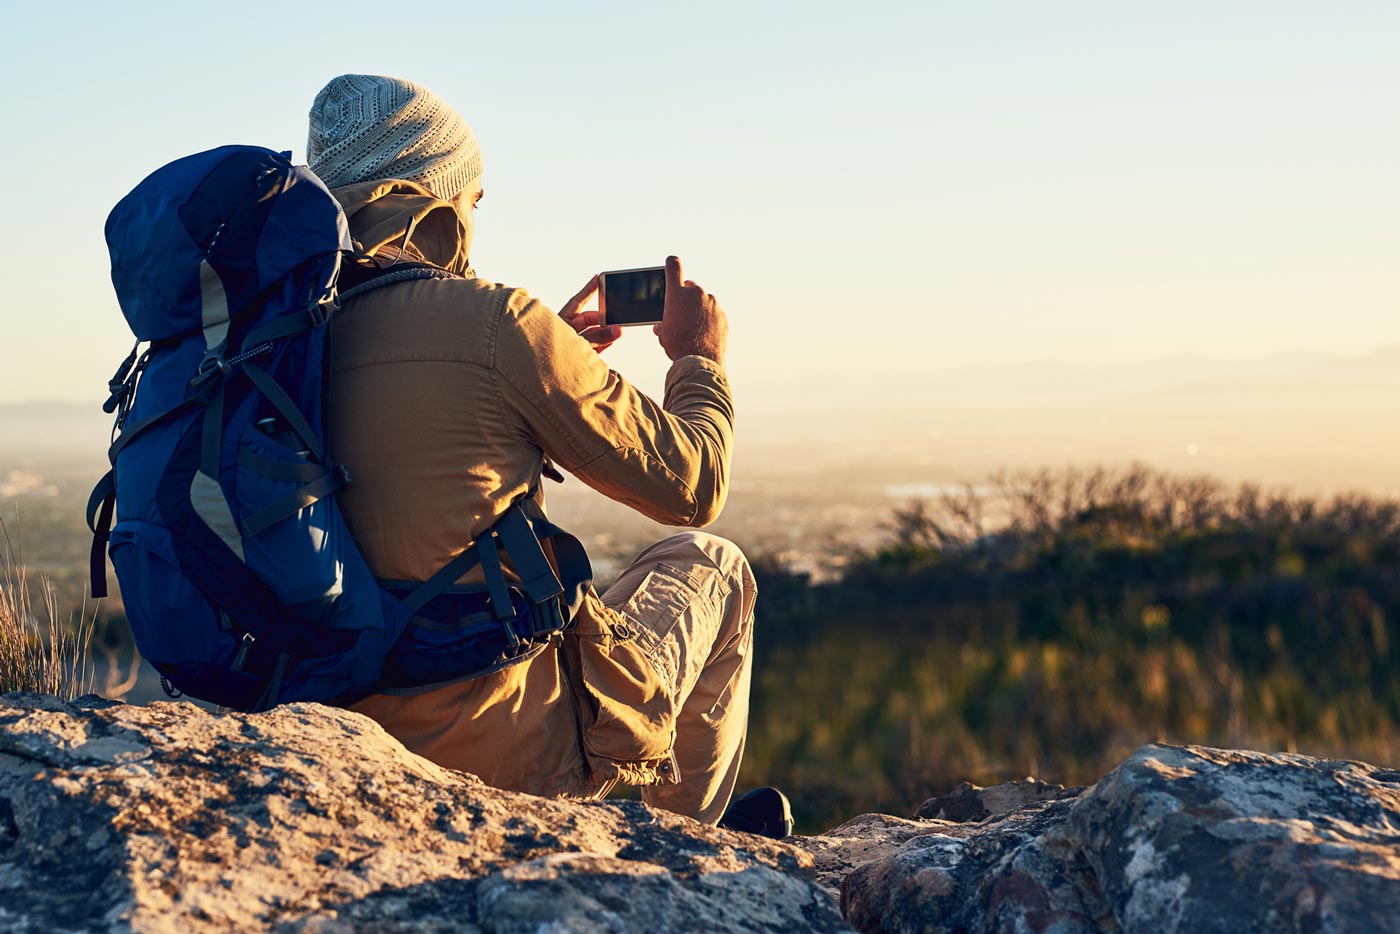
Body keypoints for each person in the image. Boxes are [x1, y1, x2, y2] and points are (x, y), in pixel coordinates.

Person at [305, 74, 762, 827]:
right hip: (501, 748)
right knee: (713, 565)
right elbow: (693, 483)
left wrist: (537, 362)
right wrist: (697, 359)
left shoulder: (278, 338)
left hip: (328, 728)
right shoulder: (498, 326)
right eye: (474, 200)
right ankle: (688, 850)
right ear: (439, 205)